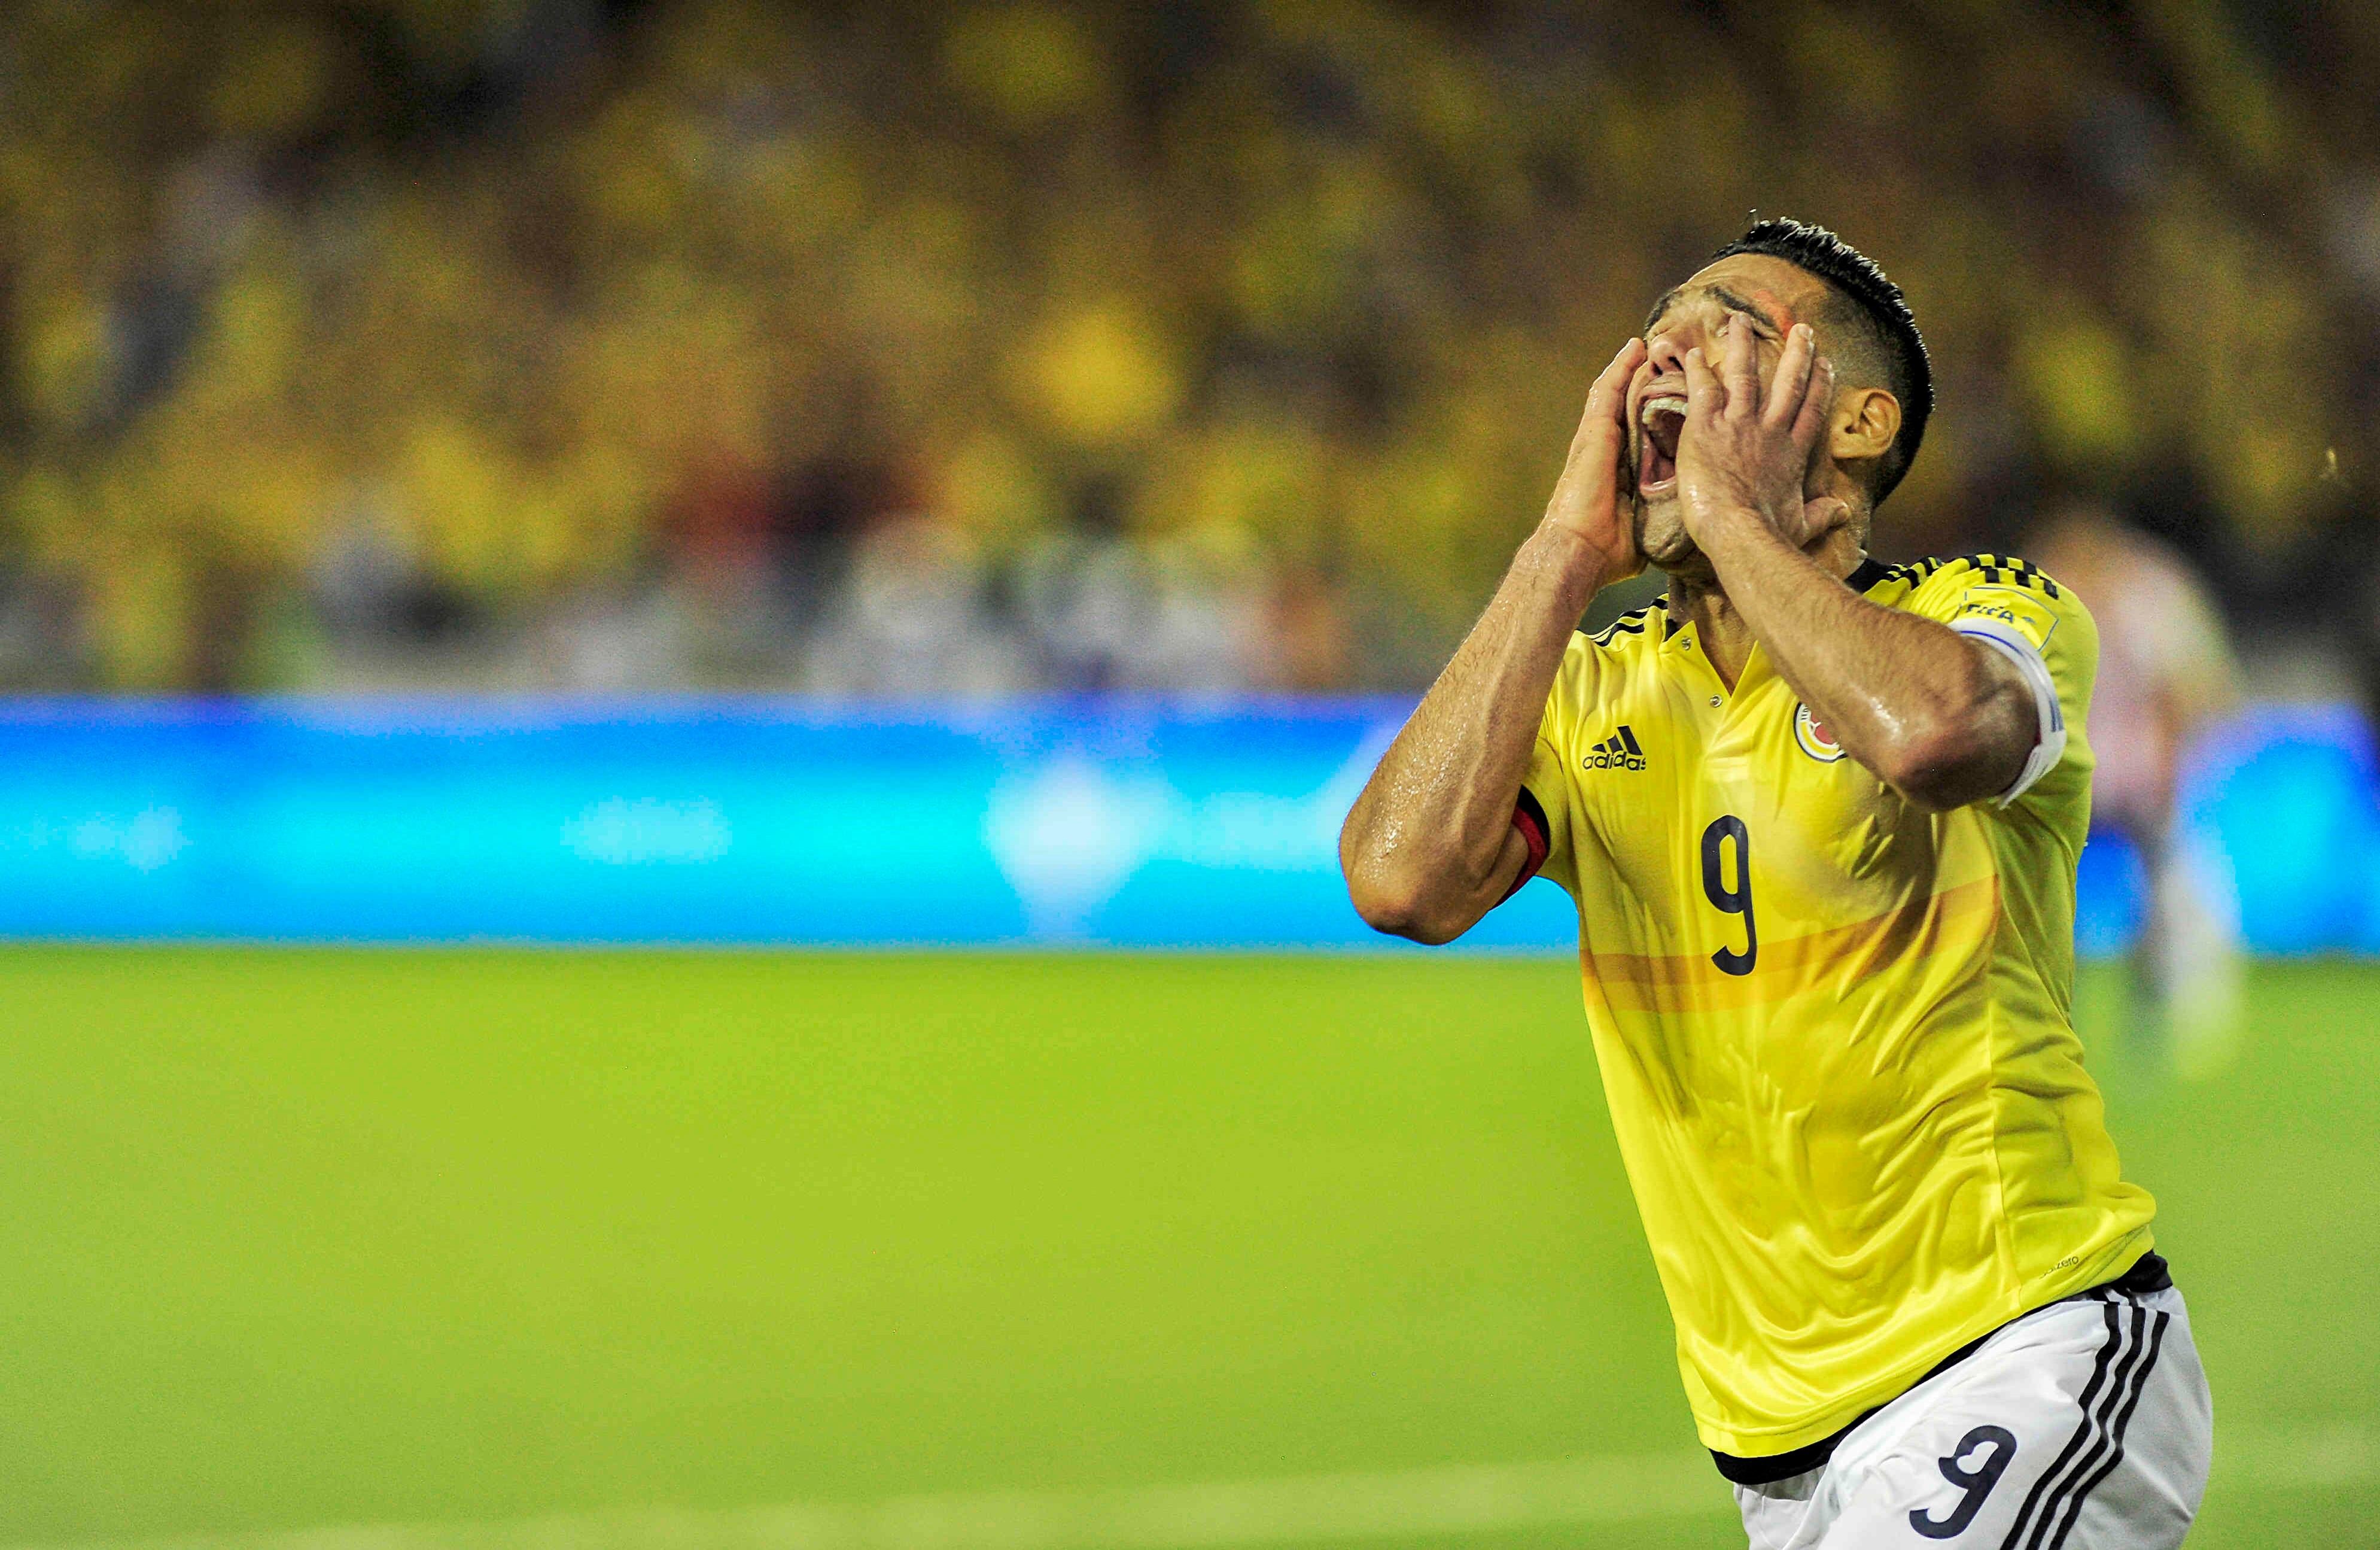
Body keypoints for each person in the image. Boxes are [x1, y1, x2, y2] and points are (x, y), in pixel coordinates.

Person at [1338, 220, 2211, 1548]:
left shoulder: (1988, 609)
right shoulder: (1598, 695)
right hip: (1780, 1456)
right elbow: (1401, 880)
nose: (1661, 351)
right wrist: (1564, 548)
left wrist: (1736, 519)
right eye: (1654, 326)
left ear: (1857, 421)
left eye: (1727, 321)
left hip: (2026, 1351)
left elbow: (1940, 737)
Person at [2028, 505, 2244, 1077]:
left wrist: (2173, 764)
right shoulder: (2042, 592)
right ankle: (2032, 1012)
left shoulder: (2147, 596)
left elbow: (2186, 685)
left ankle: (2176, 1006)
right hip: (2071, 772)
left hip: (2137, 769)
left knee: (2168, 895)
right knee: (2038, 893)